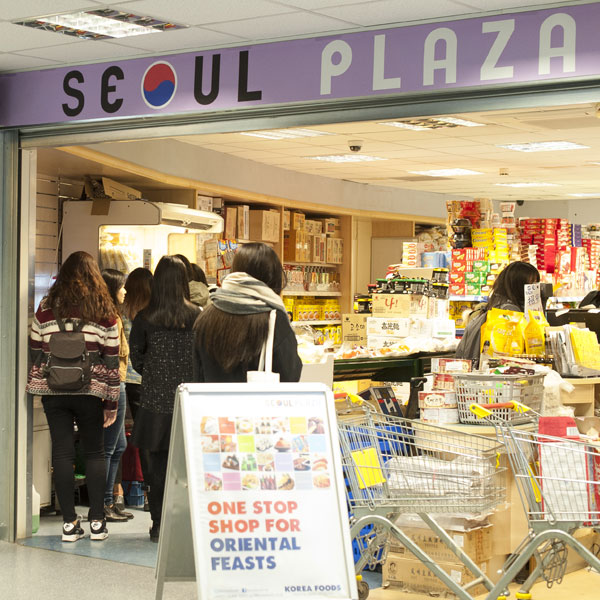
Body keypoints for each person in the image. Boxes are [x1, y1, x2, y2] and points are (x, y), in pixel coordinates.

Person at [26, 251, 120, 542]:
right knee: (94, 452)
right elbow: (112, 360)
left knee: (62, 453)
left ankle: (69, 524)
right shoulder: (104, 309)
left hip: (53, 390)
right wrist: (112, 402)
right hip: (91, 391)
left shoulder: (46, 307)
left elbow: (34, 348)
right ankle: (96, 523)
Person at [129, 256, 200, 542]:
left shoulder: (144, 319)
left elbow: (137, 359)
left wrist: (157, 374)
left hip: (154, 405)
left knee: (155, 469)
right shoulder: (198, 315)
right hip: (189, 404)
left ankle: (159, 524)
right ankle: (186, 524)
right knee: (188, 467)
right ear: (184, 282)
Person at [193, 242, 302, 382]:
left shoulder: (206, 316)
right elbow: (290, 375)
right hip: (259, 403)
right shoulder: (274, 319)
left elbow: (197, 374)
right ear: (272, 276)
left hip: (212, 402)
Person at [455, 261, 540, 367]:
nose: (535, 290)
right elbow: (507, 361)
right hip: (492, 379)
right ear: (519, 286)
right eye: (532, 285)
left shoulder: (488, 310)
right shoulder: (509, 313)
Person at [100, 269, 133, 523]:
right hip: (115, 385)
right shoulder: (110, 318)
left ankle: (109, 500)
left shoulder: (113, 316)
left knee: (118, 445)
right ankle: (105, 503)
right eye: (121, 287)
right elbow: (116, 355)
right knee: (110, 447)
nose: (124, 291)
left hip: (117, 384)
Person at [122, 267, 153, 512]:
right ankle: (149, 490)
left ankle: (128, 490)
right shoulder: (153, 315)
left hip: (126, 380)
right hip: (148, 381)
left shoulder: (122, 313)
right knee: (150, 437)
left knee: (133, 436)